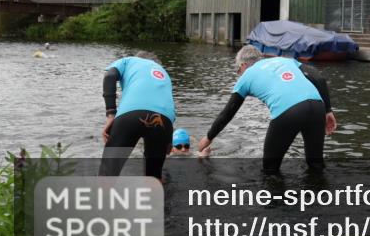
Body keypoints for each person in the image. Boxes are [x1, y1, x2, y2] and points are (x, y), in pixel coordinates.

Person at [197, 45, 338, 172]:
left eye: (237, 70)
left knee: (270, 169)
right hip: (317, 106)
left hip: (289, 111)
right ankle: (321, 198)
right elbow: (319, 79)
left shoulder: (246, 76)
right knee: (316, 164)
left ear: (243, 65)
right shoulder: (285, 60)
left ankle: (276, 200)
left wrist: (208, 138)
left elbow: (228, 113)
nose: (238, 73)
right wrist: (328, 111)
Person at [99, 51, 177, 179]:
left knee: (107, 175)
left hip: (131, 114)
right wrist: (168, 140)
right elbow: (167, 105)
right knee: (154, 178)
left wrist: (111, 114)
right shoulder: (164, 74)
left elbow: (109, 76)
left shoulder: (128, 61)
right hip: (163, 120)